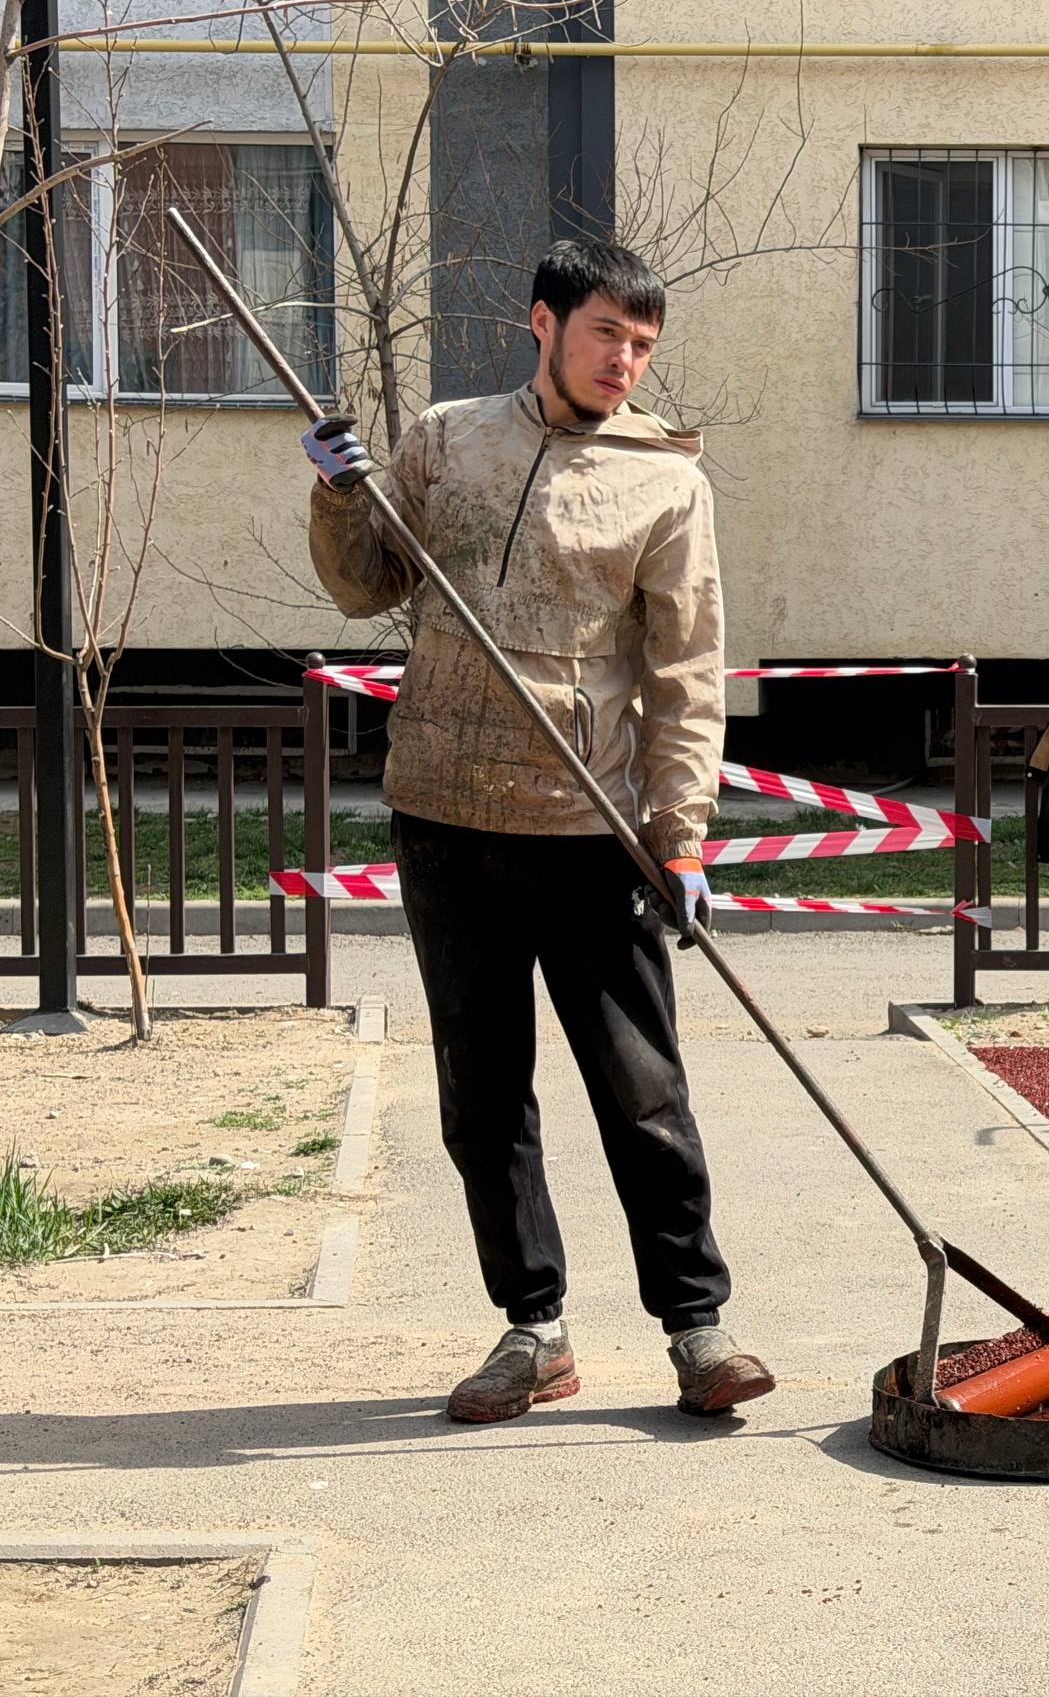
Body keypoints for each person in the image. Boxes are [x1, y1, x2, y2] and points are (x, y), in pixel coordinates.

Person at [304, 238, 774, 1424]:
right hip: (441, 814)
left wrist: (681, 834)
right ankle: (534, 1331)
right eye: (608, 332)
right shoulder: (447, 441)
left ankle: (698, 1328)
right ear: (543, 322)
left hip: (587, 825)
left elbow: (685, 673)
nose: (625, 360)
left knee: (641, 1093)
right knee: (482, 1097)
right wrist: (342, 494)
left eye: (643, 345)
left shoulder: (664, 481)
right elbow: (365, 586)